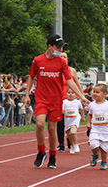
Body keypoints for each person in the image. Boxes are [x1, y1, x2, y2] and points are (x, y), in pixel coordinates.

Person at [25, 34, 89, 169]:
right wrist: (26, 95)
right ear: (50, 46)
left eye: (62, 47)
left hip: (56, 99)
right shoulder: (38, 60)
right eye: (58, 47)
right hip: (42, 98)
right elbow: (31, 77)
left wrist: (81, 96)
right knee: (40, 125)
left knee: (52, 128)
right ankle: (41, 151)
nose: (60, 50)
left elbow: (70, 81)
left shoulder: (61, 62)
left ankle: (53, 155)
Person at [86, 83, 108, 170]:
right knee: (93, 144)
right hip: (95, 129)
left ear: (104, 94)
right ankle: (95, 155)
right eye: (93, 92)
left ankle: (104, 162)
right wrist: (88, 123)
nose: (94, 94)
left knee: (105, 148)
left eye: (97, 92)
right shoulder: (92, 105)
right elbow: (90, 115)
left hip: (106, 130)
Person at [57, 51, 83, 152]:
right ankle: (61, 144)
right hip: (60, 99)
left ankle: (70, 141)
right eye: (61, 56)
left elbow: (77, 83)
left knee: (71, 120)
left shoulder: (72, 70)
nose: (63, 58)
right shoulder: (56, 70)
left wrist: (81, 96)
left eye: (65, 57)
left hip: (71, 99)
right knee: (60, 123)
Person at [63, 87, 85, 154]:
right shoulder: (64, 102)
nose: (70, 94)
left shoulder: (77, 102)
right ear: (66, 94)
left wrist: (83, 117)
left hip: (75, 119)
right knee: (69, 134)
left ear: (75, 95)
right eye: (69, 92)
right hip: (67, 120)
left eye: (72, 93)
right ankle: (72, 145)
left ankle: (75, 145)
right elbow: (62, 110)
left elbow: (81, 109)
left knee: (73, 132)